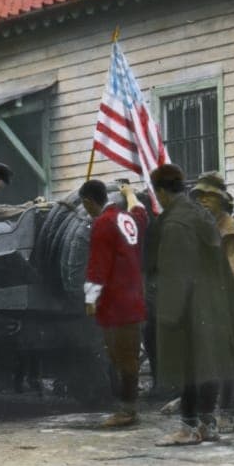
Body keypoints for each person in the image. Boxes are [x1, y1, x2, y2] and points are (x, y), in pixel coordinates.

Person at [147, 164, 234, 447]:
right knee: (207, 364)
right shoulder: (202, 214)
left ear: (161, 192)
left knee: (188, 366)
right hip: (213, 301)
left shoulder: (175, 222)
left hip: (190, 304)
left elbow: (175, 273)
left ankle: (188, 427)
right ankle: (208, 424)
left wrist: (168, 315)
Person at [80, 179, 148, 427]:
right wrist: (129, 193)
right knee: (130, 356)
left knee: (121, 358)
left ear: (88, 202)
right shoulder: (127, 219)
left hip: (115, 303)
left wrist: (91, 298)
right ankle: (129, 407)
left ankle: (127, 411)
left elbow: (98, 263)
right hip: (134, 300)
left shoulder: (102, 223)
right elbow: (140, 212)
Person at [190, 172, 234, 431]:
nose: (203, 200)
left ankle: (226, 412)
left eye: (209, 196)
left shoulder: (230, 228)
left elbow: (233, 270)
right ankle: (205, 410)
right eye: (199, 196)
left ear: (222, 199)